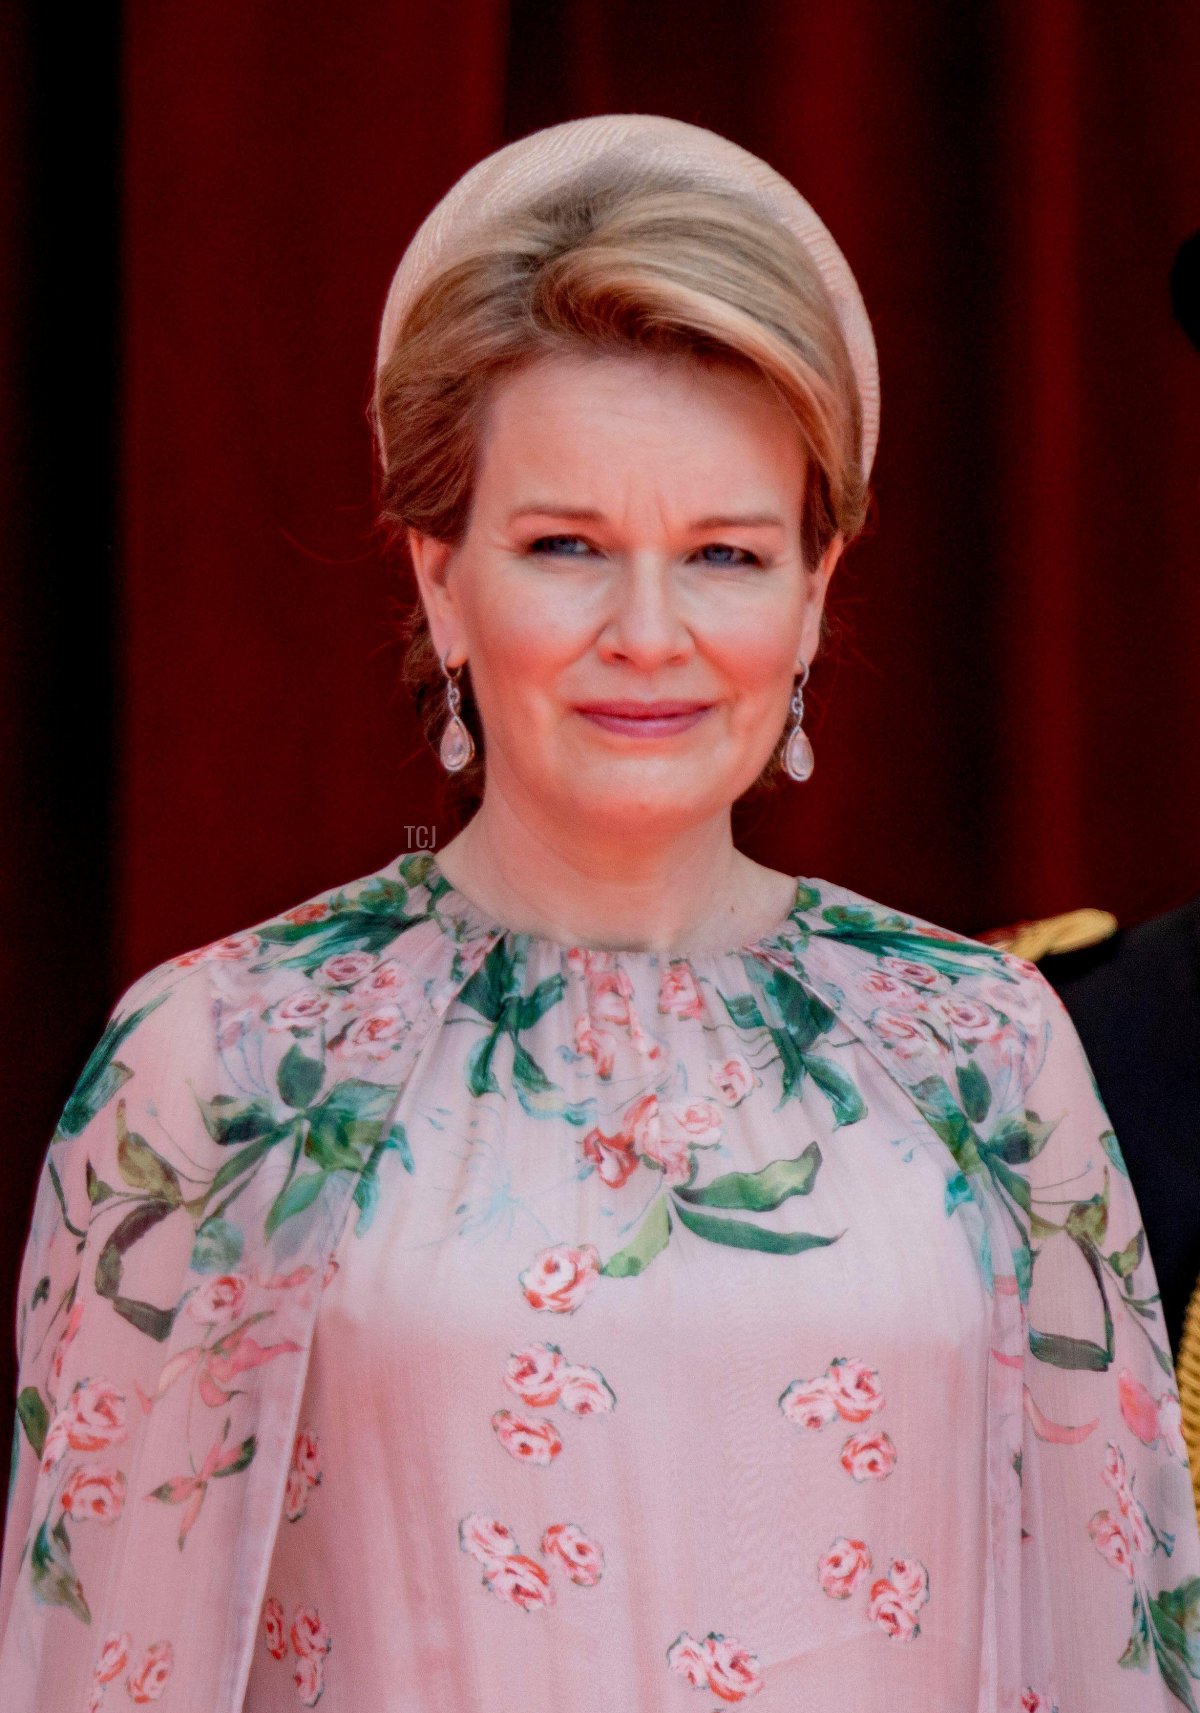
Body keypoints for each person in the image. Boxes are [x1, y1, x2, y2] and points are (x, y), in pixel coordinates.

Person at [0, 115, 1196, 1713]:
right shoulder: (219, 1060)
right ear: (440, 576)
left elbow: (1103, 1651)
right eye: (567, 545)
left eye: (724, 553)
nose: (651, 631)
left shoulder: (984, 1043)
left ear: (817, 583)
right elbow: (107, 1666)